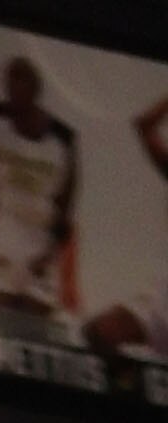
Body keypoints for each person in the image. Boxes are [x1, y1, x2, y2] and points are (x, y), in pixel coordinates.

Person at [0, 59, 79, 317]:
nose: (12, 94)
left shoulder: (62, 139)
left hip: (40, 244)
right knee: (3, 322)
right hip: (5, 239)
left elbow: (66, 206)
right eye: (8, 87)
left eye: (19, 87)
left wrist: (51, 253)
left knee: (36, 325)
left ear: (35, 90)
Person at [86, 95, 168, 355]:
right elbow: (144, 125)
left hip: (158, 313)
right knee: (96, 333)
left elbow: (145, 126)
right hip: (159, 308)